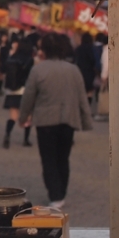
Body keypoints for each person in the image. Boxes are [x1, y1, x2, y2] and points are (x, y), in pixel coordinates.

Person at [18, 32, 93, 209]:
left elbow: (28, 96)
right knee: (63, 157)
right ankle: (61, 192)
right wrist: (86, 120)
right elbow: (82, 97)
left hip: (45, 121)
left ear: (44, 50)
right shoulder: (73, 69)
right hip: (68, 119)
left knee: (49, 158)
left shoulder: (38, 70)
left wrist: (23, 117)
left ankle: (55, 194)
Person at [3, 37, 34, 148]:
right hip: (24, 89)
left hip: (11, 90)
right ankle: (26, 140)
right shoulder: (29, 60)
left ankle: (7, 135)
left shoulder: (11, 58)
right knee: (28, 115)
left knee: (13, 116)